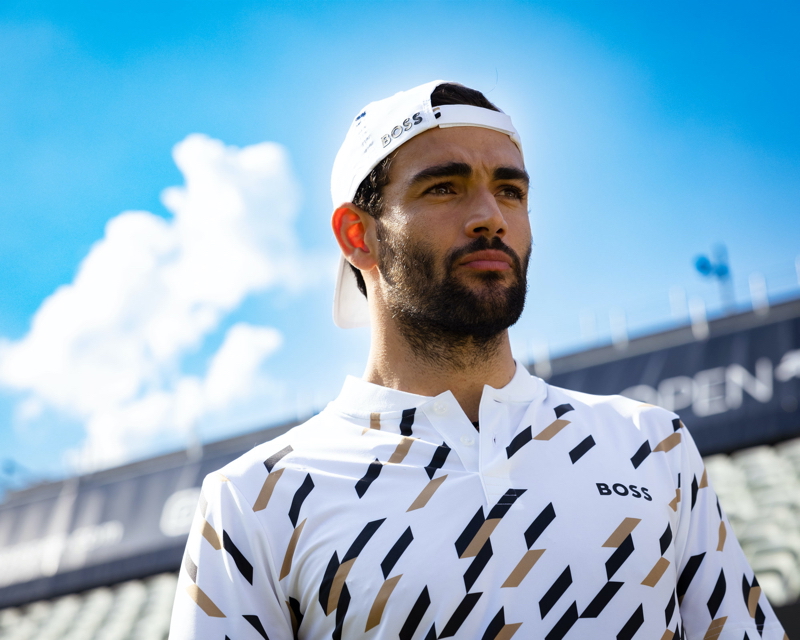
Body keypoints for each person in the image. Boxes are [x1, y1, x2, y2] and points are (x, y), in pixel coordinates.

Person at [168, 81, 787, 640]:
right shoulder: (253, 500)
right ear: (360, 236)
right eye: (444, 186)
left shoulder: (652, 446)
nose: (491, 217)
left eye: (510, 190)